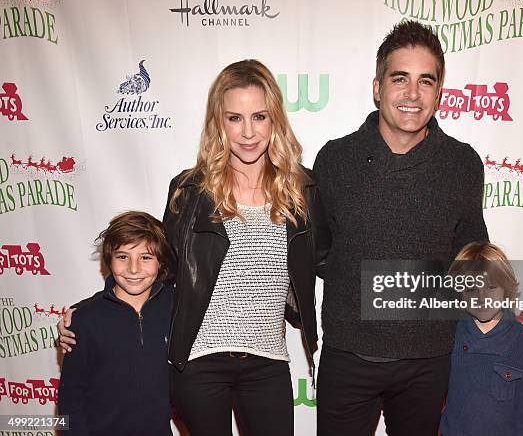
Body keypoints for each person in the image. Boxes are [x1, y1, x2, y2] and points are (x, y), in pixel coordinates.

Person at [59, 59, 327, 436]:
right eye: (234, 118)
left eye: (259, 117)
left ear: (276, 120)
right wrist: (86, 317)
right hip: (200, 363)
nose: (248, 132)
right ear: (219, 122)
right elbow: (155, 265)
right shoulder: (189, 191)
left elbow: (327, 263)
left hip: (269, 361)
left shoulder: (302, 190)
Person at [312, 21, 488, 435]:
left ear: (439, 92)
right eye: (400, 79)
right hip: (347, 355)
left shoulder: (463, 165)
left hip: (428, 362)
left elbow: (468, 258)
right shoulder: (335, 160)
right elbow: (319, 252)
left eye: (426, 81)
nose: (413, 94)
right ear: (378, 88)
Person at [58, 211, 174, 435]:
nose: (133, 268)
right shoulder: (84, 318)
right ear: (109, 260)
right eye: (122, 257)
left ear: (161, 261)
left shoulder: (177, 309)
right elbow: (70, 397)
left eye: (146, 257)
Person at [441, 241, 523, 436]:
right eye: (471, 289)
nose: (481, 297)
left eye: (491, 287)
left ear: (506, 288)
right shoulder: (449, 334)